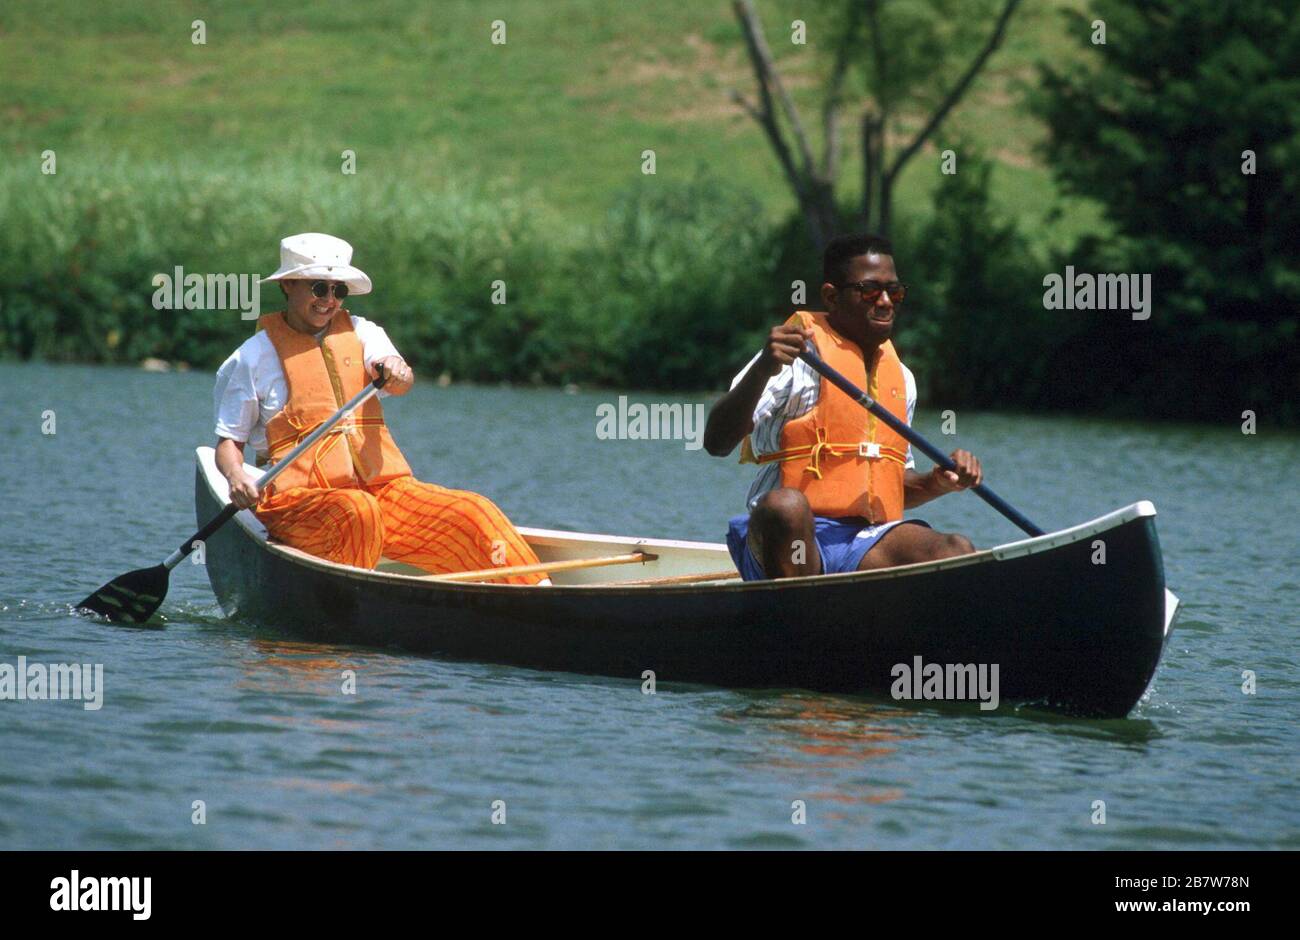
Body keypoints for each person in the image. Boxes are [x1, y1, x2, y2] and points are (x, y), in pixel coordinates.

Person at [212, 232, 546, 584]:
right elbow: (228, 444)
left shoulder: (364, 333)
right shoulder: (250, 358)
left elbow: (400, 380)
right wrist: (235, 477)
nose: (329, 300)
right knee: (357, 512)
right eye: (318, 288)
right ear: (289, 286)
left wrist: (395, 369)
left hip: (381, 492)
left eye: (338, 290)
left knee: (473, 510)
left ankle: (536, 593)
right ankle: (353, 608)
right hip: (297, 504)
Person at [703, 233, 982, 580]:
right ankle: (797, 623)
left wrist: (938, 482)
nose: (884, 302)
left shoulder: (902, 379)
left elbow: (894, 483)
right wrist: (763, 368)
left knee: (956, 550)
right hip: (787, 541)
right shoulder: (793, 356)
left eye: (894, 292)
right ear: (831, 297)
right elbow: (716, 442)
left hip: (865, 541)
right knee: (786, 507)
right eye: (869, 290)